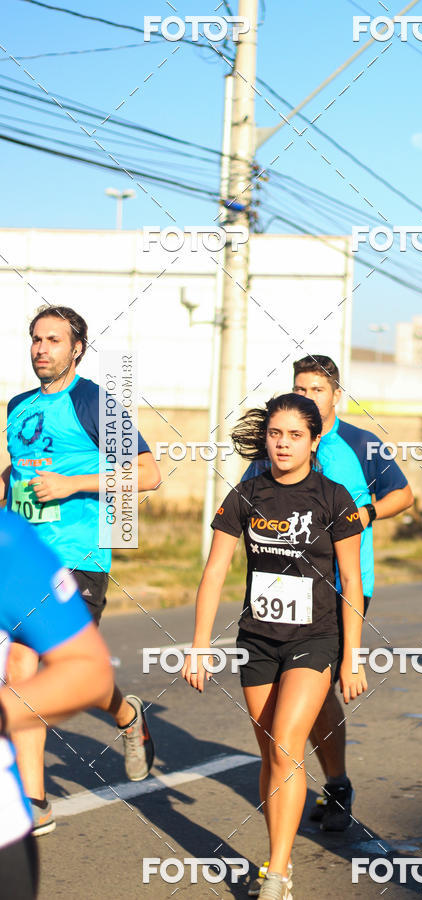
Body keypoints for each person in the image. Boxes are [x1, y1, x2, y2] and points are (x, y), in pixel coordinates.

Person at [183, 393, 367, 900]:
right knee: (271, 753)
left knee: (286, 743)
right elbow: (215, 569)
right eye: (275, 434)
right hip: (258, 640)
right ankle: (277, 850)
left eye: (294, 435)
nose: (283, 444)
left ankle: (277, 875)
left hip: (316, 637)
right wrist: (199, 646)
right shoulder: (246, 494)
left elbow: (351, 581)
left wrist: (352, 656)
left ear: (314, 440)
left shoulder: (334, 499)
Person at [1, 305, 161, 836]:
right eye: (35, 339)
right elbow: (22, 469)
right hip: (23, 558)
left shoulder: (95, 401)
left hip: (77, 557)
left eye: (53, 339)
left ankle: (125, 715)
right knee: (21, 670)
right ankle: (36, 801)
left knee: (61, 671)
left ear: (77, 349)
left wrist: (73, 485)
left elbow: (147, 473)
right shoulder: (18, 406)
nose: (41, 348)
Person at [243, 354, 413, 835]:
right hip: (281, 592)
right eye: (300, 387)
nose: (308, 396)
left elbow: (404, 496)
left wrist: (365, 515)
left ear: (336, 394)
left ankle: (334, 782)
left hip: (343, 587)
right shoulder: (280, 443)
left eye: (317, 389)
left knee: (317, 688)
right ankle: (333, 781)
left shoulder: (361, 444)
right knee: (309, 693)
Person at [0, 510, 113, 898]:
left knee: (24, 668)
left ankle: (33, 798)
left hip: (80, 554)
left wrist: (3, 712)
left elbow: (89, 670)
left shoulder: (7, 542)